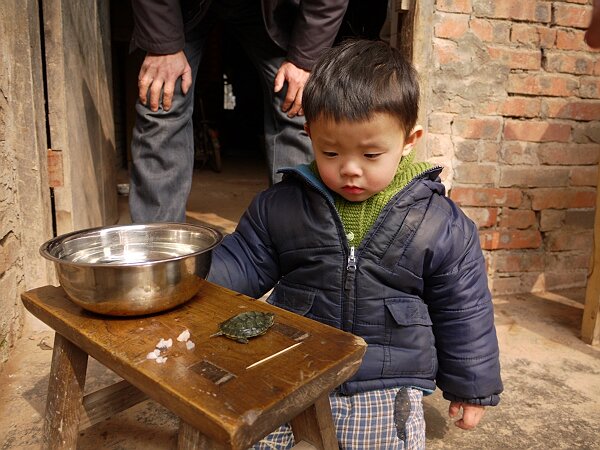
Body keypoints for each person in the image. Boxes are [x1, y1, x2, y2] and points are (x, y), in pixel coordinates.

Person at [207, 39, 503, 449]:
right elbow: (244, 262)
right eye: (330, 151)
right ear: (309, 133)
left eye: (370, 154)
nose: (349, 169)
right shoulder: (282, 206)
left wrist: (471, 386)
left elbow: (463, 308)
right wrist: (191, 275)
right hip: (296, 367)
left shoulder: (439, 223)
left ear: (409, 139)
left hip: (386, 381)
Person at [128, 0, 349, 223]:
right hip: (180, 8)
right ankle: (159, 246)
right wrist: (162, 44)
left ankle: (296, 240)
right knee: (162, 95)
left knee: (297, 102)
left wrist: (305, 60)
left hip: (271, 8)